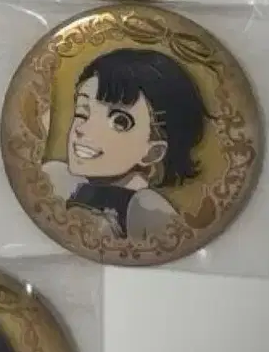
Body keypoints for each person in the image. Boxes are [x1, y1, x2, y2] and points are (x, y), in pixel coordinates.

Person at [43, 48, 208, 238]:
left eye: (119, 122)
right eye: (82, 112)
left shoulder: (147, 208)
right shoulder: (61, 179)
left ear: (153, 152)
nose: (82, 128)